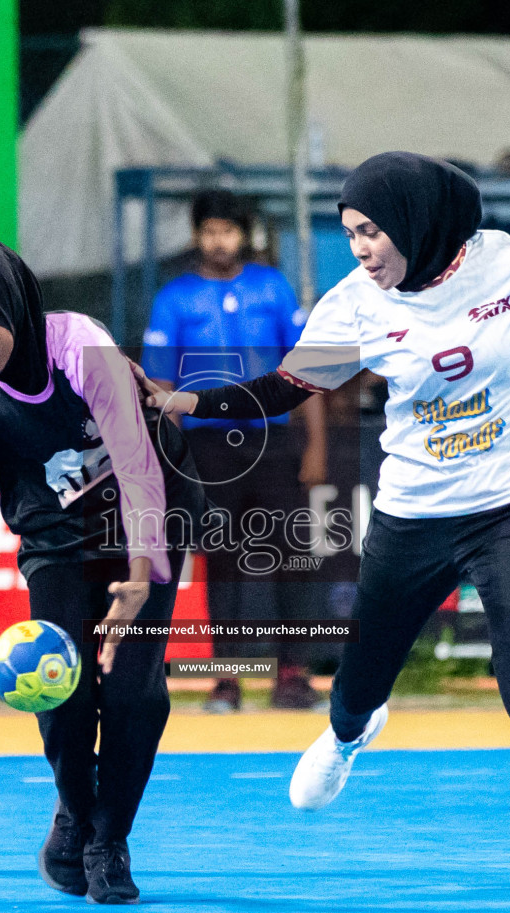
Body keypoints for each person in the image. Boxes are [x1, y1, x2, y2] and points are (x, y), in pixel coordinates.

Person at [132, 153, 510, 892]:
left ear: (412, 223)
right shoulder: (355, 305)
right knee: (359, 684)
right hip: (415, 512)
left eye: (371, 231)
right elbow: (283, 389)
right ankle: (347, 736)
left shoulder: (503, 262)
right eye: (349, 234)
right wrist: (193, 403)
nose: (361, 248)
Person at [0, 233, 198, 905]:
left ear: (10, 306)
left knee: (134, 693)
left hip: (148, 516)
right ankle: (77, 812)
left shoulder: (81, 347)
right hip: (54, 534)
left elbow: (135, 458)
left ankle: (109, 840)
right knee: (59, 686)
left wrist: (141, 569)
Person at [142, 189, 328, 713]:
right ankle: (227, 679)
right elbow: (160, 384)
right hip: (207, 445)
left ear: (244, 235)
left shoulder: (272, 289)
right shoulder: (174, 298)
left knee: (290, 555)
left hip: (273, 441)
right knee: (222, 562)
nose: (219, 240)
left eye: (228, 230)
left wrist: (314, 445)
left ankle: (292, 675)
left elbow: (303, 369)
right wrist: (163, 455)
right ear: (196, 236)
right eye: (209, 230)